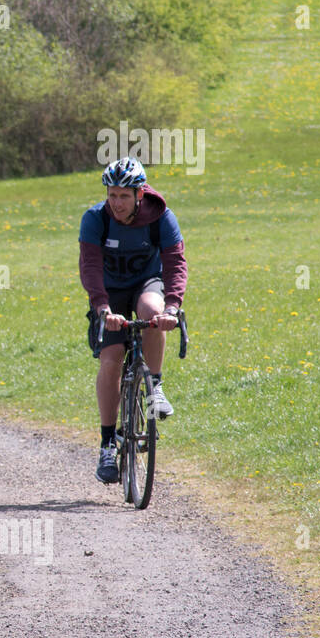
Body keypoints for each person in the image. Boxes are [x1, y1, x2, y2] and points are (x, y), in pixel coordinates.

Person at [79, 157, 186, 484]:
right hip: (109, 293)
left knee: (152, 314)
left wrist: (172, 308)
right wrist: (102, 309)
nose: (117, 203)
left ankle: (154, 386)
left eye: (124, 196)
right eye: (112, 195)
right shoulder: (95, 219)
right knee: (111, 360)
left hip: (145, 285)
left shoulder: (161, 218)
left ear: (140, 194)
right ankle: (108, 443)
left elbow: (175, 264)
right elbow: (91, 267)